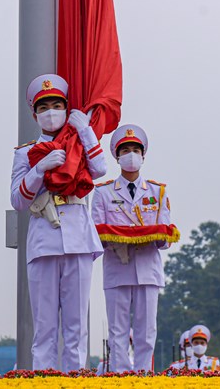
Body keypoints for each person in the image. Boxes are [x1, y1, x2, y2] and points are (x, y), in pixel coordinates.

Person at [10, 74, 106, 371]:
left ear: (66, 108)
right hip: (44, 240)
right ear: (34, 114)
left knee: (77, 326)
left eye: (56, 105)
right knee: (45, 327)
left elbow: (100, 169)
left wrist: (86, 131)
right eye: (43, 107)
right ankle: (44, 379)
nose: (50, 112)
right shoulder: (25, 153)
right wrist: (39, 169)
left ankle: (74, 378)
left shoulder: (79, 141)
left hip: (77, 238)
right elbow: (18, 200)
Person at [91, 124, 170, 373]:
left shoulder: (157, 192)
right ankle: (120, 377)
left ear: (143, 155)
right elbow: (94, 234)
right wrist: (116, 239)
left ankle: (145, 376)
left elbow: (166, 236)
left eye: (135, 149)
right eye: (126, 150)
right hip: (117, 266)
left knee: (147, 332)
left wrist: (151, 237)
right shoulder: (103, 193)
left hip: (148, 268)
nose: (131, 154)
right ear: (117, 157)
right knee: (118, 332)